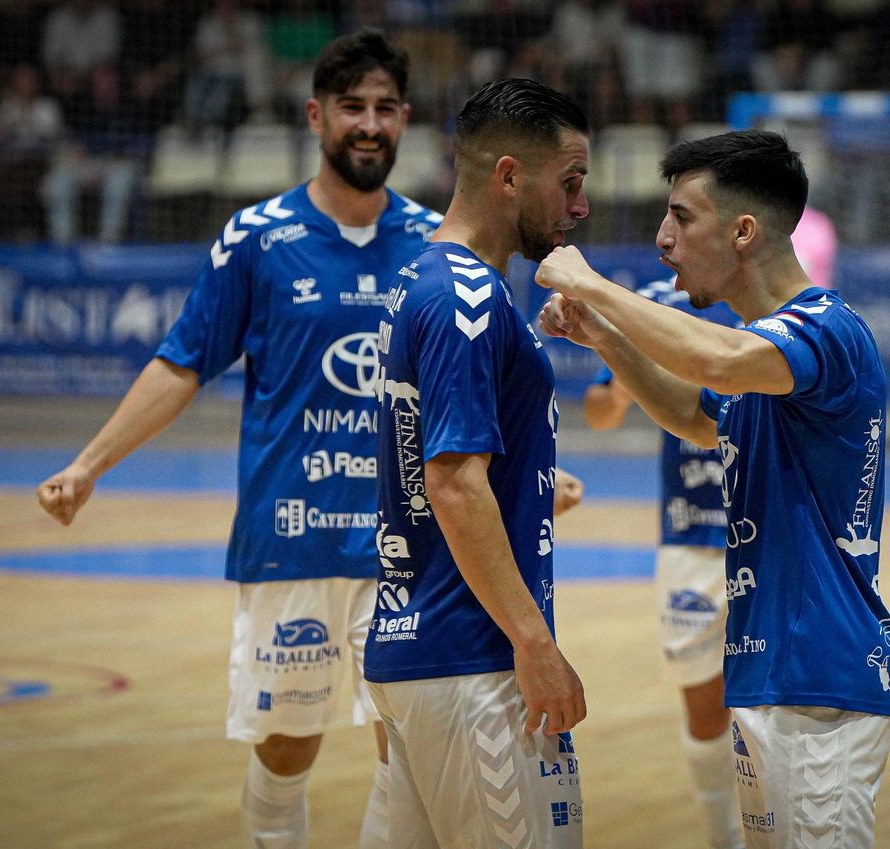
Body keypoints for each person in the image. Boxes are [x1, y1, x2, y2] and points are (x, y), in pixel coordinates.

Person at [37, 30, 441, 849]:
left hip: (408, 545)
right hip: (289, 534)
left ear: (405, 120)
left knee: (411, 746)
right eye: (352, 107)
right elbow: (183, 363)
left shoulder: (439, 243)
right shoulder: (257, 236)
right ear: (315, 115)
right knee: (288, 747)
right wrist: (89, 463)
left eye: (385, 108)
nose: (369, 124)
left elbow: (471, 383)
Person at [536, 130, 890, 848]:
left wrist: (591, 283)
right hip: (774, 671)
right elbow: (691, 414)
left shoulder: (828, 330)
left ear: (743, 230)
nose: (663, 238)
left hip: (818, 673)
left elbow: (721, 362)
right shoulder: (769, 352)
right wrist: (605, 336)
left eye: (682, 217)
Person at [366, 77, 591, 849]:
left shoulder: (418, 281)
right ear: (507, 177)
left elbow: (437, 470)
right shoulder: (469, 295)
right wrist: (536, 645)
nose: (580, 207)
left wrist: (525, 485)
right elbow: (453, 484)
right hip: (476, 664)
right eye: (569, 183)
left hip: (412, 656)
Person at [582, 278, 742, 849]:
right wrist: (624, 387)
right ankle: (724, 836)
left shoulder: (771, 301)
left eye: (683, 219)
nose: (669, 239)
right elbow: (598, 414)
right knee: (704, 705)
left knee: (768, 710)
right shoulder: (650, 304)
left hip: (768, 531)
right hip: (690, 532)